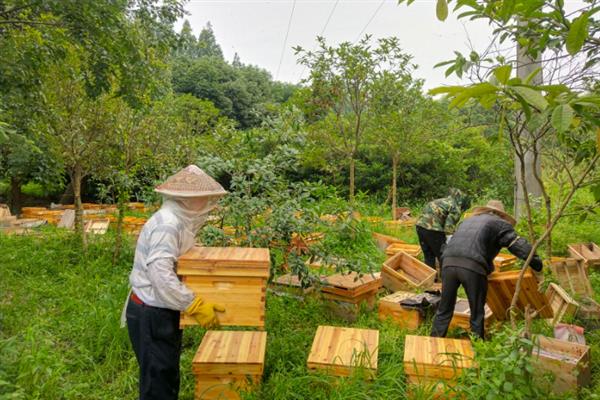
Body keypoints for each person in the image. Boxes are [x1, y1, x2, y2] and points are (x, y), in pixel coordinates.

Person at [124, 165, 227, 400]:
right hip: (151, 312)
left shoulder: (177, 221)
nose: (207, 204)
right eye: (203, 199)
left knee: (166, 374)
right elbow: (160, 275)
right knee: (157, 384)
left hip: (161, 310)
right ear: (187, 199)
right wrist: (193, 304)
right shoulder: (167, 224)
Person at [430, 200, 543, 339]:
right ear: (500, 215)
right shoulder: (500, 223)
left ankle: (433, 342)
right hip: (472, 267)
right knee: (477, 312)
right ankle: (477, 347)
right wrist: (537, 264)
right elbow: (518, 245)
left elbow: (465, 245)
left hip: (447, 263)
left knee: (444, 309)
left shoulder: (467, 221)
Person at [415, 188, 470, 276]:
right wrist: (449, 242)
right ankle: (445, 280)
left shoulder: (442, 201)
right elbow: (449, 226)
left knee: (429, 256)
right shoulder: (455, 207)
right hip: (433, 230)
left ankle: (431, 281)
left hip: (420, 227)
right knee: (444, 256)